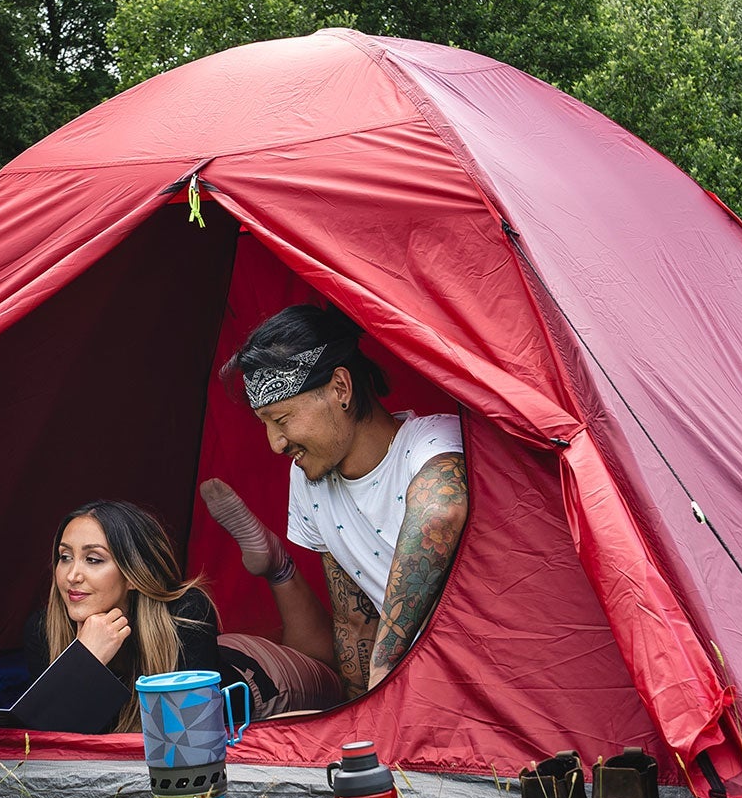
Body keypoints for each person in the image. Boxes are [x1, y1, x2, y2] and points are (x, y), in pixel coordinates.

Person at [202, 305, 467, 701]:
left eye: (283, 419)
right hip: (418, 690)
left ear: (340, 389)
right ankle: (279, 568)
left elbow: (439, 513)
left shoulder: (434, 443)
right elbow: (353, 623)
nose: (275, 444)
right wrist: (361, 709)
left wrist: (385, 665)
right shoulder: (310, 481)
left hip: (479, 667)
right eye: (266, 426)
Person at [25, 500, 339, 733]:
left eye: (93, 559)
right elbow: (50, 742)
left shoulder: (187, 611)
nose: (71, 575)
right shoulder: (45, 629)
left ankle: (277, 564)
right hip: (215, 652)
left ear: (135, 575)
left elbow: (186, 734)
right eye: (65, 557)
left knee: (333, 674)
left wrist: (84, 671)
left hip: (264, 679)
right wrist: (84, 661)